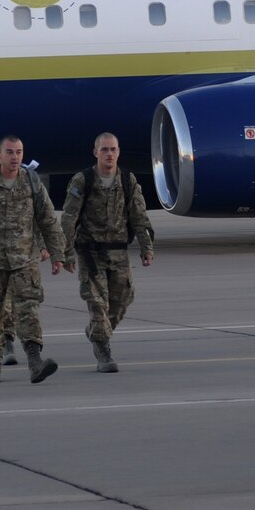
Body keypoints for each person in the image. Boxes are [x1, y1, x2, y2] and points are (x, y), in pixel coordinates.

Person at [0, 136, 66, 383]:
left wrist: (57, 253)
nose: (15, 157)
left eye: (19, 152)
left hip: (24, 260)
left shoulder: (31, 181)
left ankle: (35, 362)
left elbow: (47, 218)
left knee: (28, 309)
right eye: (10, 152)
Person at [61, 132, 154, 372]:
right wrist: (66, 253)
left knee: (122, 301)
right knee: (97, 304)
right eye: (104, 150)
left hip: (119, 253)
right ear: (96, 152)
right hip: (91, 255)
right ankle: (103, 351)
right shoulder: (83, 180)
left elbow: (139, 215)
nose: (109, 154)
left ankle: (95, 330)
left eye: (113, 149)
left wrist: (146, 247)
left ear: (119, 152)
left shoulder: (127, 180)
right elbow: (69, 219)